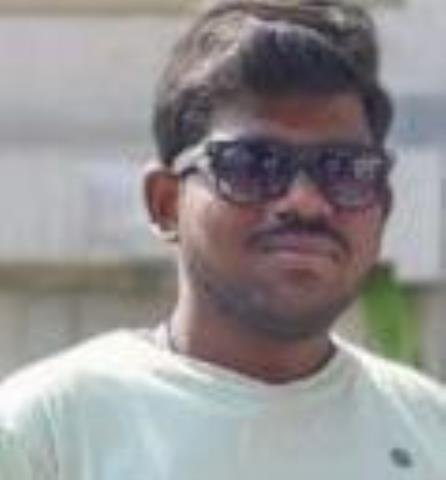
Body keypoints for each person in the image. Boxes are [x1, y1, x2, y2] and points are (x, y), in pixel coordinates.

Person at [0, 0, 445, 478]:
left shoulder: (429, 431)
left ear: (384, 206)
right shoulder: (45, 434)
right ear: (165, 202)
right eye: (254, 165)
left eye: (344, 171)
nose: (306, 202)